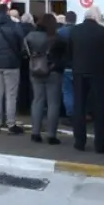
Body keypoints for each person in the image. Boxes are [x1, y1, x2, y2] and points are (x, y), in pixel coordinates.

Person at [68, 6, 104, 153]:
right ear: (96, 17)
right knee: (99, 108)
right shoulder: (103, 31)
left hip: (79, 72)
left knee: (79, 107)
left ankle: (79, 142)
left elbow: (69, 52)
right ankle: (100, 144)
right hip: (98, 73)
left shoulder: (75, 31)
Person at [25, 13, 66, 144]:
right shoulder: (57, 38)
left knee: (37, 100)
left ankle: (35, 133)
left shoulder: (30, 36)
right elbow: (64, 55)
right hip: (53, 72)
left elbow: (24, 52)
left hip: (35, 70)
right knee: (53, 103)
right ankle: (51, 135)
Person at [0, 3, 25, 134]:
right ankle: (11, 124)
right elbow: (21, 43)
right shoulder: (14, 26)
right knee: (11, 95)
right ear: (7, 12)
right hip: (11, 63)